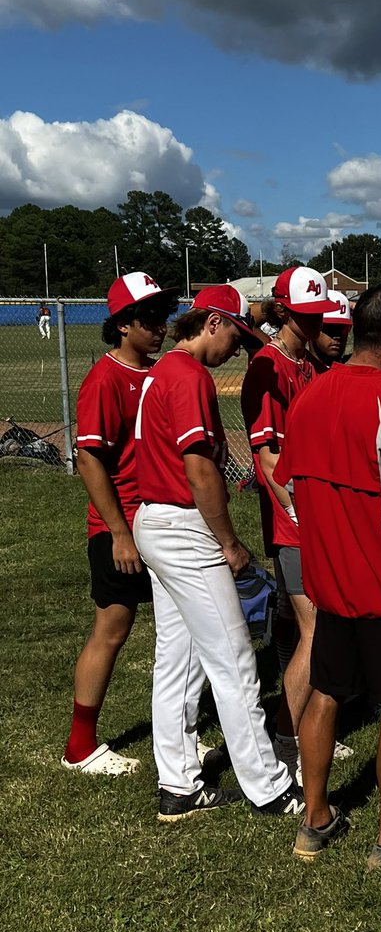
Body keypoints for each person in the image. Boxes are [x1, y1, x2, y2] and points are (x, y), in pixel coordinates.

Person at [274, 284, 381, 867]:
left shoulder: (310, 395)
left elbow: (287, 478)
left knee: (326, 692)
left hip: (329, 579)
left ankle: (315, 819)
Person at [133, 285, 304, 821]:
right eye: (235, 334)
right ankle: (270, 787)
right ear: (211, 323)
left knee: (178, 660)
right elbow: (200, 469)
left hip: (155, 520)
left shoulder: (163, 370)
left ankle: (179, 783)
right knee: (234, 662)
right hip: (184, 526)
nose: (236, 348)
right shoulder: (187, 375)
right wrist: (229, 541)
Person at [63, 272, 178, 775]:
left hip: (160, 520)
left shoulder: (155, 372)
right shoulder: (105, 379)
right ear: (123, 324)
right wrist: (118, 533)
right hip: (123, 525)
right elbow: (89, 459)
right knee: (112, 629)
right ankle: (79, 746)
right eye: (149, 318)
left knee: (180, 631)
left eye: (162, 316)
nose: (160, 326)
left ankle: (178, 734)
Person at [241, 267, 344, 785]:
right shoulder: (268, 365)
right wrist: (301, 512)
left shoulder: (305, 362)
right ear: (284, 312)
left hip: (311, 511)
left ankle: (301, 725)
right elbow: (266, 456)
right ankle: (287, 739)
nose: (314, 324)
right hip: (296, 518)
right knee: (316, 629)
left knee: (294, 620)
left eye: (317, 315)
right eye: (305, 316)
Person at [306, 289, 353, 373]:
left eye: (343, 329)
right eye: (330, 328)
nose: (337, 335)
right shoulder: (298, 371)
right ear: (312, 328)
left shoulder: (352, 371)